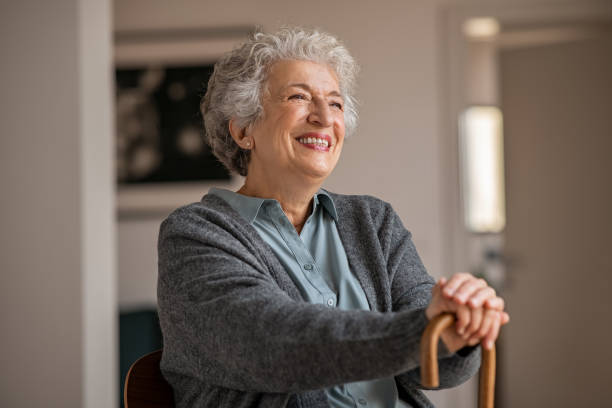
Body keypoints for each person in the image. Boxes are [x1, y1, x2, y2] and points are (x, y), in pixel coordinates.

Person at [157, 27, 509, 408]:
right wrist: (424, 329)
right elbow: (270, 344)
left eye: (336, 103)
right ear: (243, 130)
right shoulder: (195, 233)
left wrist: (461, 322)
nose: (324, 118)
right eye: (299, 97)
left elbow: (436, 369)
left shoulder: (373, 222)